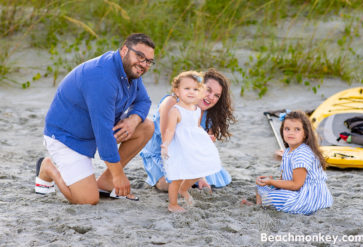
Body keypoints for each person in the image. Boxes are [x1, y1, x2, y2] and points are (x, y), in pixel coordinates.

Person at [35, 33, 156, 204]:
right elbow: (104, 132)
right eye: (140, 56)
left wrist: (133, 120)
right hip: (68, 137)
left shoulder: (130, 71)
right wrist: (119, 175)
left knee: (146, 126)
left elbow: (144, 101)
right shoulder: (102, 77)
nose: (143, 64)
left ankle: (106, 182)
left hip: (93, 130)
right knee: (88, 200)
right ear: (124, 50)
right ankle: (48, 168)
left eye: (149, 61)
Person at [140, 68, 236, 192]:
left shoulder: (210, 116)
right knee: (168, 185)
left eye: (216, 95)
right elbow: (167, 142)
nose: (211, 97)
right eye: (208, 90)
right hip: (162, 154)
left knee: (204, 181)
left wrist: (201, 176)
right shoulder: (171, 102)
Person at [247, 111, 333, 215]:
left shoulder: (301, 154)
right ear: (282, 131)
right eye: (287, 129)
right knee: (260, 187)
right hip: (296, 190)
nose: (291, 133)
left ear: (305, 133)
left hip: (309, 197)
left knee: (270, 196)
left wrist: (271, 182)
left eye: (297, 129)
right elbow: (286, 180)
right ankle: (259, 205)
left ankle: (261, 207)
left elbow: (296, 184)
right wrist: (271, 181)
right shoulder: (288, 151)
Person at [160, 71, 222, 212]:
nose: (191, 92)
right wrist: (165, 145)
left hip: (191, 147)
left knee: (197, 170)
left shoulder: (196, 110)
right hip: (178, 147)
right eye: (187, 89)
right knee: (176, 176)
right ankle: (173, 204)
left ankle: (184, 189)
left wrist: (205, 138)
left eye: (195, 89)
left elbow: (197, 126)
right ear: (177, 91)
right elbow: (169, 131)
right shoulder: (175, 110)